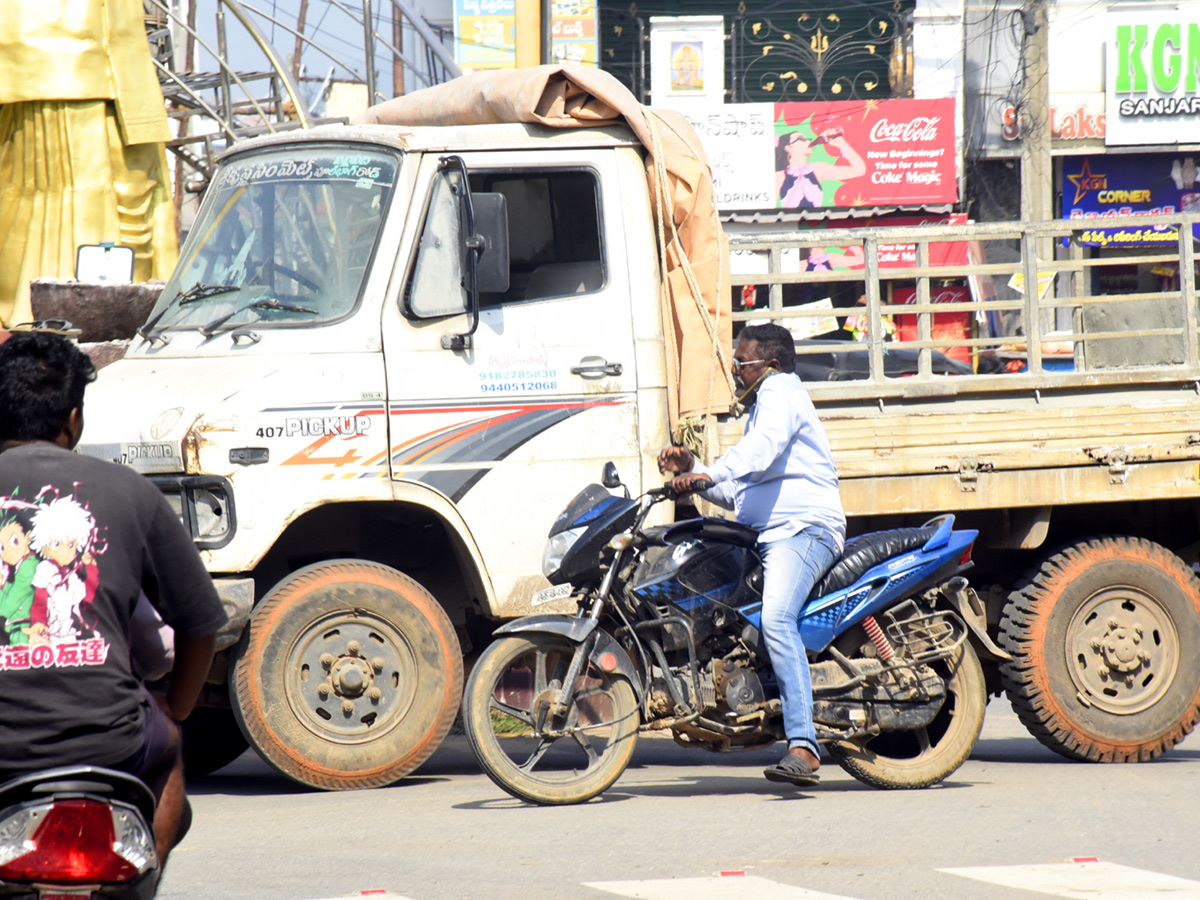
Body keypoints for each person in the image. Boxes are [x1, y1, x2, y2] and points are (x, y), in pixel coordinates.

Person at [0, 332, 226, 864]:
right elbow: (199, 623)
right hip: (109, 738)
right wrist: (176, 710)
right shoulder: (131, 492)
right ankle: (144, 877)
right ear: (72, 418)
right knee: (167, 750)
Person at [658, 323, 846, 787]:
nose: (737, 373)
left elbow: (756, 455)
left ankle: (804, 745)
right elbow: (740, 495)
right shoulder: (764, 408)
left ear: (772, 364)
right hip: (768, 535)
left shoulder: (782, 391)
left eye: (742, 364)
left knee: (776, 618)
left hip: (803, 531)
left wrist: (712, 470)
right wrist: (696, 471)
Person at [776, 128, 866, 209]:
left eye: (807, 139)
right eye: (801, 139)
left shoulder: (817, 169)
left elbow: (859, 170)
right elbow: (768, 208)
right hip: (790, 224)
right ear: (788, 147)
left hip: (815, 222)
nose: (808, 141)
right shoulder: (779, 176)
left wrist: (843, 145)